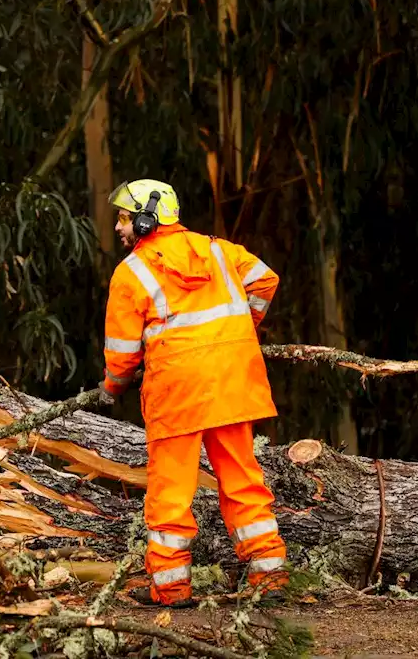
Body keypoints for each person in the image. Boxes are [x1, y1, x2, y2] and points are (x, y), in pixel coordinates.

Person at [98, 180, 287, 607]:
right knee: (242, 479)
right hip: (232, 383)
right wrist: (239, 332)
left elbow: (122, 354)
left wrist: (111, 387)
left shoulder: (131, 273)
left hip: (178, 392)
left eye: (125, 218)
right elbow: (264, 281)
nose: (118, 227)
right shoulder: (219, 251)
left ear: (148, 219)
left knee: (170, 491)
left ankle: (170, 587)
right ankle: (269, 576)